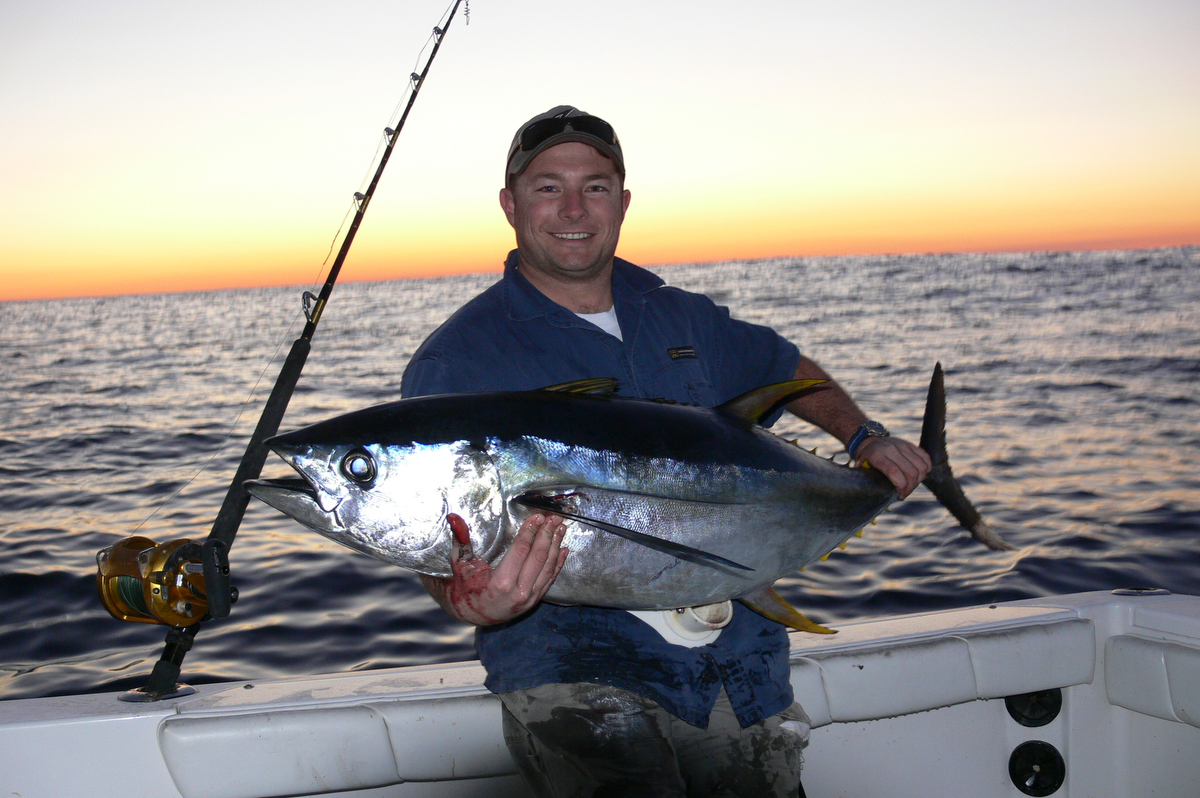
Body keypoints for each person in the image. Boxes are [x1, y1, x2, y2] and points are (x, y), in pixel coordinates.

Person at [401, 105, 932, 797]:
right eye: (546, 186)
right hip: (576, 673)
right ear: (509, 204)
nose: (573, 207)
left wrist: (864, 438)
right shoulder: (460, 360)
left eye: (594, 186)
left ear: (622, 202)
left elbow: (784, 367)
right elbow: (427, 527)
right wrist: (466, 600)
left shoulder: (679, 314)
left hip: (738, 667)